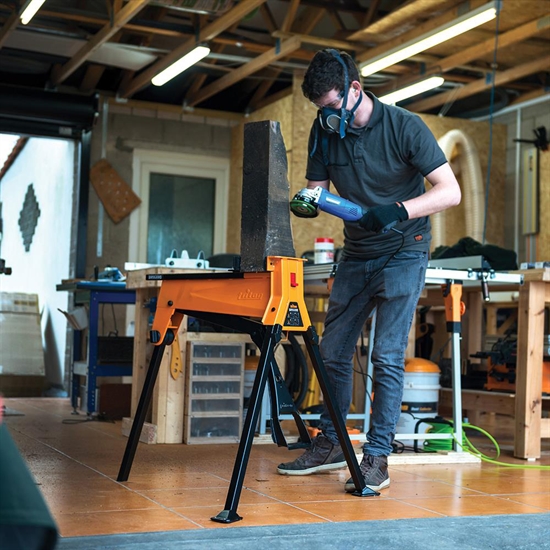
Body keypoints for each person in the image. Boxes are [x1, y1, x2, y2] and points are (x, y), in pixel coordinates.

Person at [278, 49, 461, 492]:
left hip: (405, 248)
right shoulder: (324, 131)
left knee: (386, 355)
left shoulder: (404, 127)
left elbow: (450, 191)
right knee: (333, 351)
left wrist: (398, 210)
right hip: (358, 252)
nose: (327, 117)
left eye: (331, 106)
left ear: (355, 89)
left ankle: (377, 456)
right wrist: (309, 202)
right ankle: (331, 442)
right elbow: (317, 189)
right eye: (320, 109)